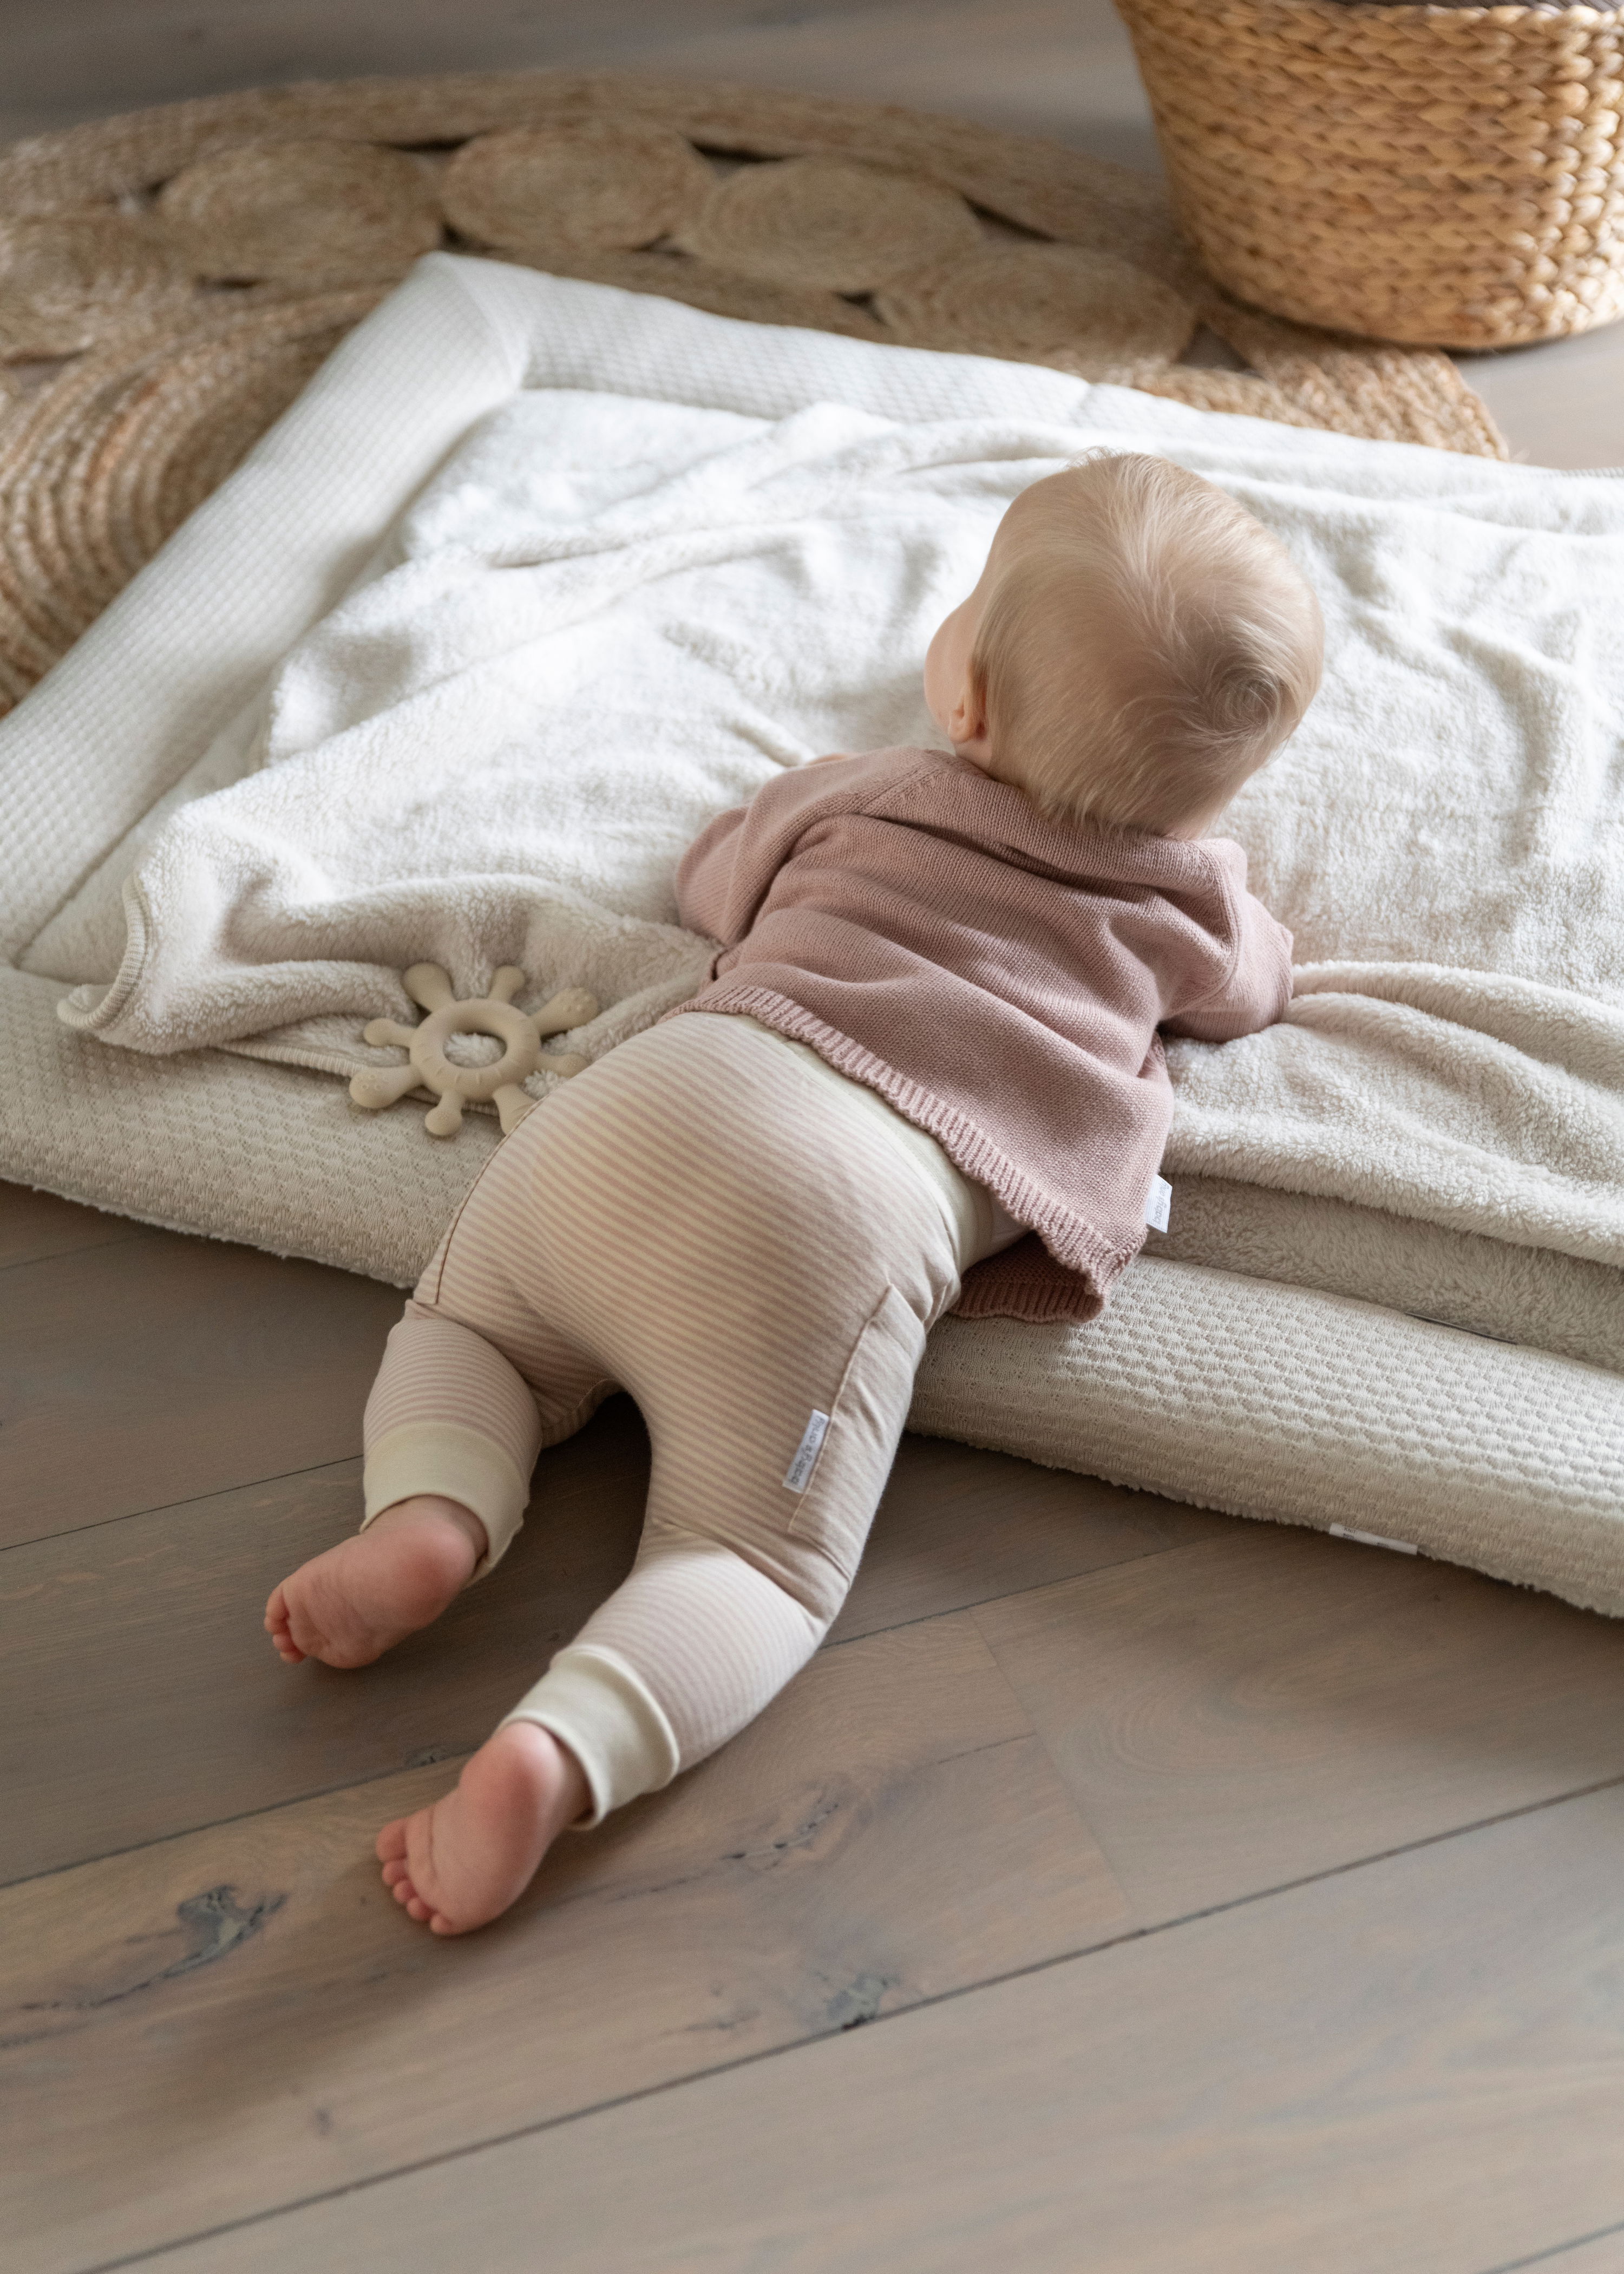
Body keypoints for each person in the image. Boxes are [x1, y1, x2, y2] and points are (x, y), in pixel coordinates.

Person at [265, 452, 1323, 1934]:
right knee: (745, 1558)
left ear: (964, 706)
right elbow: (1258, 989)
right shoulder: (1188, 901)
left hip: (653, 1100)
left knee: (475, 1327)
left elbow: (714, 879)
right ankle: (552, 1755)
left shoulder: (869, 794)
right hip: (836, 1216)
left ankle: (431, 1512)